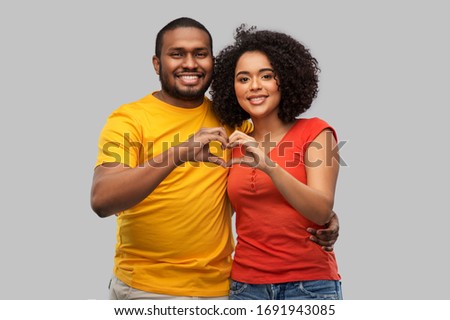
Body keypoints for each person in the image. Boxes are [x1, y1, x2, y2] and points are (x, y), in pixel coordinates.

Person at [90, 17, 339, 300]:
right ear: (157, 64)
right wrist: (180, 152)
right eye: (176, 54)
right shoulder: (129, 120)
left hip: (220, 290)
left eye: (200, 54)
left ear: (212, 62)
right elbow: (102, 200)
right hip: (146, 288)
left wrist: (326, 216)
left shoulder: (235, 125)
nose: (190, 64)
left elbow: (277, 186)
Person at [211, 25, 343, 300]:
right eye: (243, 79)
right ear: (231, 86)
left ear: (285, 79)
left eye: (266, 76)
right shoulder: (234, 143)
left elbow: (320, 211)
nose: (254, 86)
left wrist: (269, 166)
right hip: (246, 287)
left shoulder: (316, 132)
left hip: (309, 286)